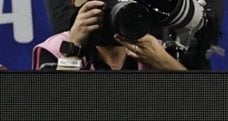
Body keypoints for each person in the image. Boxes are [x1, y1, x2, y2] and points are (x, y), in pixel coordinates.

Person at [33, 0, 189, 71]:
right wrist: (73, 51)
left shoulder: (153, 49)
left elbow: (194, 108)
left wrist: (164, 62)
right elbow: (51, 111)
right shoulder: (56, 48)